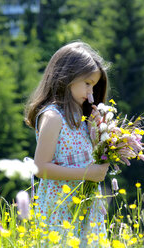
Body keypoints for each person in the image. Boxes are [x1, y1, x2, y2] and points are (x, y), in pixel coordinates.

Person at [24, 41, 110, 246]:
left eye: (94, 86)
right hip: (59, 208)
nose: (91, 93)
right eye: (87, 83)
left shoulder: (81, 117)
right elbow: (39, 167)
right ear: (68, 77)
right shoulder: (53, 117)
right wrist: (88, 174)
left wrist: (98, 132)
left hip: (85, 206)